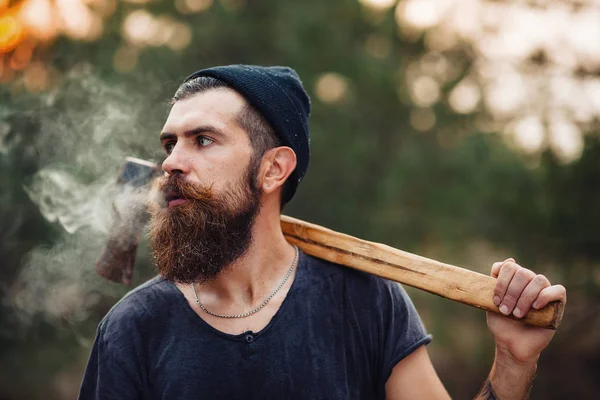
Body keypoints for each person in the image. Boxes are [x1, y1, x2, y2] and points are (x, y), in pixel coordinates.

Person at [79, 65, 567, 399]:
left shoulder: (365, 300)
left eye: (203, 140)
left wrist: (512, 360)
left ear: (274, 170)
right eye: (170, 143)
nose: (171, 163)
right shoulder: (133, 329)